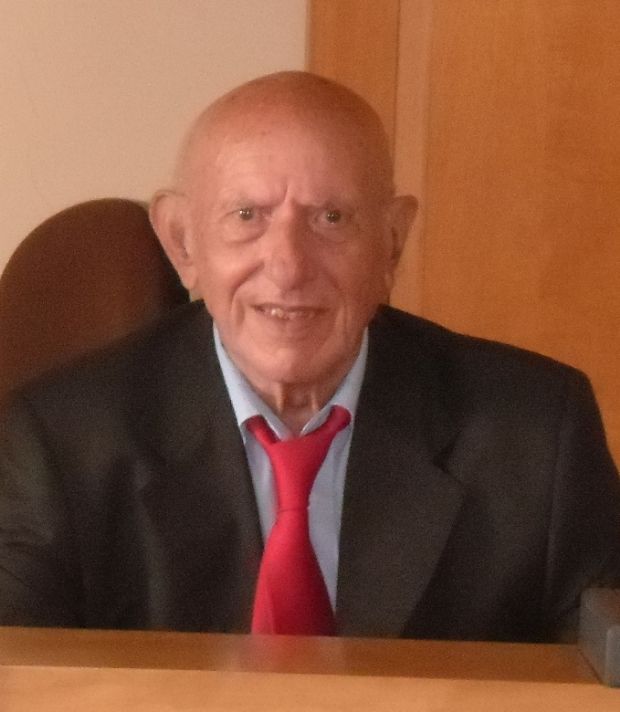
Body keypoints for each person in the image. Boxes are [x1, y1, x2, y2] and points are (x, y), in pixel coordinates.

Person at [0, 71, 618, 642]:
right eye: (247, 216)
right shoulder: (62, 442)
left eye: (331, 218)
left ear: (392, 242)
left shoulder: (538, 434)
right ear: (184, 242)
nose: (290, 266)